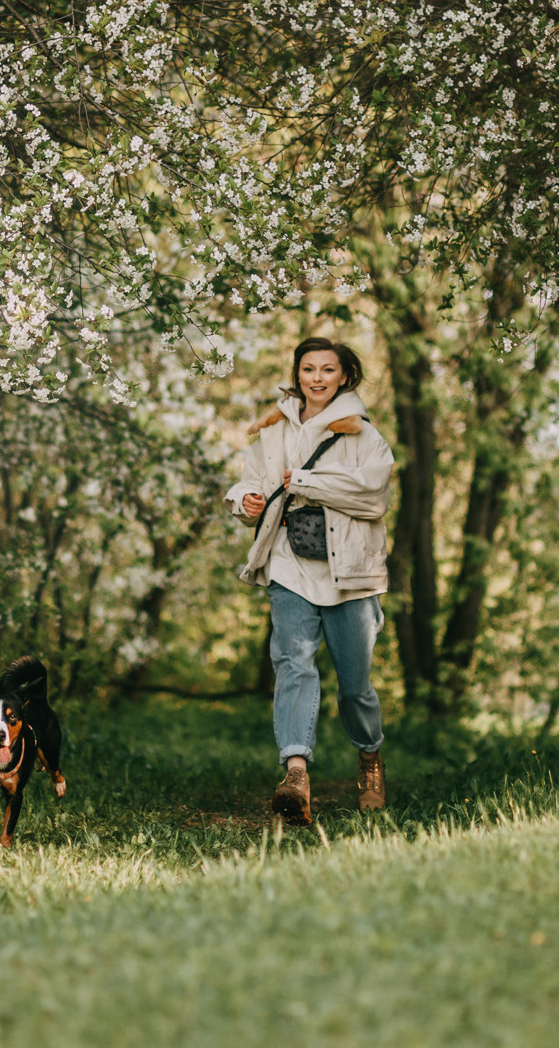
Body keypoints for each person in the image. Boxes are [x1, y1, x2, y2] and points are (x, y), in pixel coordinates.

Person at [226, 336, 395, 825]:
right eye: (307, 369)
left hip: (352, 574)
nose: (316, 378)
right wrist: (246, 501)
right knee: (292, 662)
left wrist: (300, 481)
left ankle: (369, 757)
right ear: (297, 374)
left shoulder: (364, 436)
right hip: (288, 562)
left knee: (356, 685)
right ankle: (296, 772)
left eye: (327, 370)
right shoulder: (274, 428)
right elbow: (252, 479)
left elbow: (371, 497)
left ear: (344, 376)